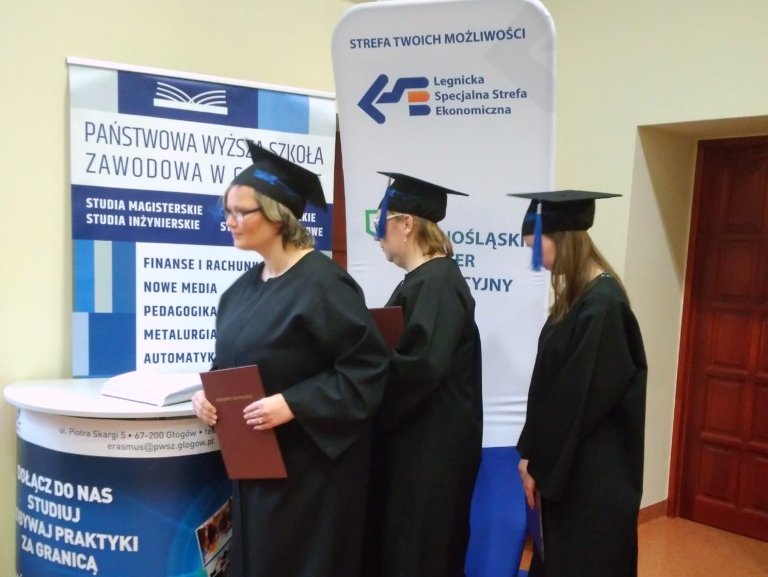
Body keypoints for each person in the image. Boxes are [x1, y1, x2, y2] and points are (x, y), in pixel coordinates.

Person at [191, 140, 389, 577]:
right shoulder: (240, 291)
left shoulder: (325, 285)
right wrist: (206, 397)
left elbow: (366, 369)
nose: (230, 222)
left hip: (311, 478)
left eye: (241, 212)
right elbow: (230, 362)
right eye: (227, 211)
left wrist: (293, 403)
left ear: (278, 216)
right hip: (255, 471)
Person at [510, 190, 647, 577]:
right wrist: (531, 453)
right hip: (570, 468)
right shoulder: (579, 299)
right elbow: (551, 391)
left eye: (537, 248)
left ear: (563, 239)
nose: (537, 261)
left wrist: (538, 463)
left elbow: (576, 401)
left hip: (592, 479)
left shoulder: (603, 306)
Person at [361, 172, 483, 577]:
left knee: (419, 555)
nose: (377, 235)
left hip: (429, 457)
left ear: (407, 224)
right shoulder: (423, 281)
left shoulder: (438, 283)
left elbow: (422, 366)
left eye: (381, 223)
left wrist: (364, 398)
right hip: (415, 451)